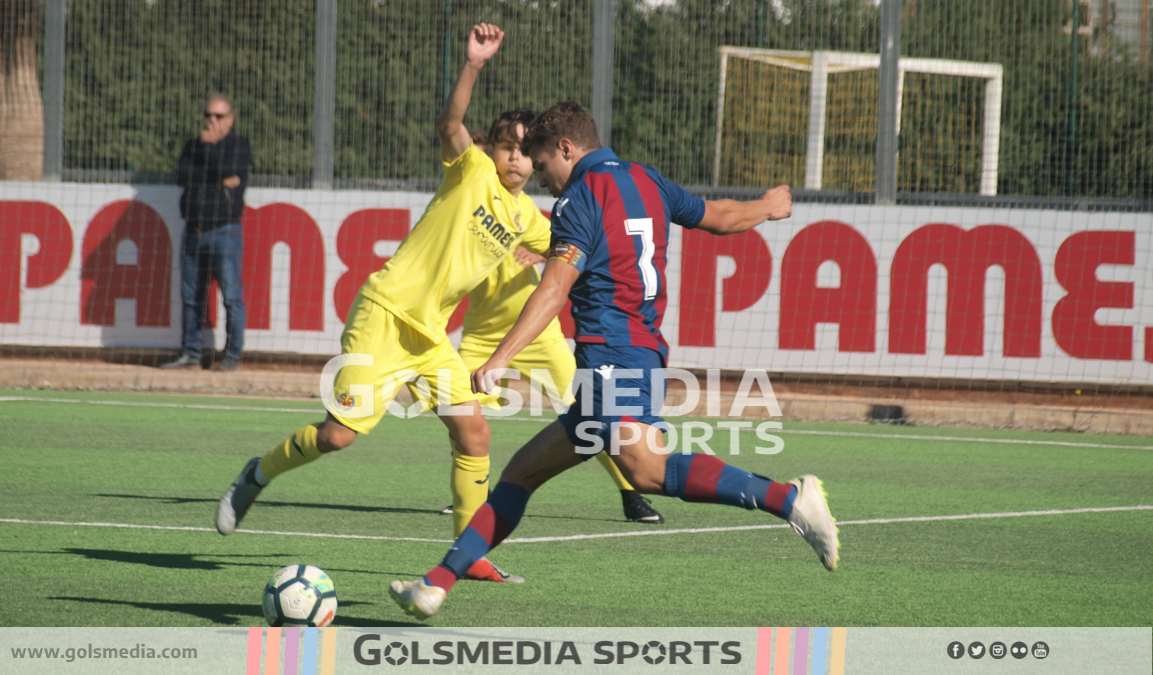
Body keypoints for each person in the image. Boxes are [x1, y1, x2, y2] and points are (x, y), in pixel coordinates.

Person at [390, 102, 839, 620]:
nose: (546, 181)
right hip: (631, 352)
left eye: (543, 165)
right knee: (520, 474)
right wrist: (766, 205)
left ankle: (789, 498)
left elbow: (556, 286)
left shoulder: (580, 196)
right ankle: (436, 583)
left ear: (566, 149)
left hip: (614, 354)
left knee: (646, 471)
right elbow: (719, 216)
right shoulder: (645, 180)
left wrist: (500, 358)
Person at [214, 24, 547, 583]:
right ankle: (258, 473)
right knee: (337, 436)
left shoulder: (529, 219)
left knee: (475, 433)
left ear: (536, 161)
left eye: (523, 151)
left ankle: (470, 554)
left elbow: (572, 248)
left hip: (431, 337)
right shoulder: (472, 169)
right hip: (385, 315)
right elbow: (450, 124)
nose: (514, 158)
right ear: (493, 149)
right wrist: (472, 65)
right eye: (507, 146)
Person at [447, 220, 666, 524]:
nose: (513, 168)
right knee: (460, 415)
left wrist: (544, 256)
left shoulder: (521, 213)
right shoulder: (463, 215)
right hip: (480, 338)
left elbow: (572, 249)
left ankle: (631, 495)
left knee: (596, 416)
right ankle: (474, 495)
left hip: (539, 337)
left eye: (526, 167)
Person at [161, 94, 251, 371]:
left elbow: (231, 171)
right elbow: (181, 176)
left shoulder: (238, 145)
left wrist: (210, 151)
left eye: (218, 116)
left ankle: (232, 356)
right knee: (191, 297)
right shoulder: (193, 145)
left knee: (231, 296)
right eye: (208, 115)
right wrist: (215, 172)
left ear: (230, 120)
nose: (212, 121)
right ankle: (191, 353)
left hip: (224, 232)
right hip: (193, 232)